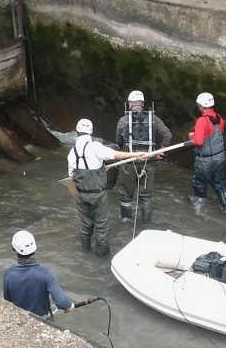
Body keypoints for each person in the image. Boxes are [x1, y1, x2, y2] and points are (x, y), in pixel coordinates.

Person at [68, 118, 145, 256]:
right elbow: (114, 154)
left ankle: (85, 252)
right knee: (102, 227)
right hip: (98, 195)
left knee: (85, 225)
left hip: (81, 195)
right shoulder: (95, 146)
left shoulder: (71, 153)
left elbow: (72, 176)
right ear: (91, 132)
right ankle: (101, 259)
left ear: (77, 131)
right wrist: (135, 155)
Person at [115, 90, 172, 226]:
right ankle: (146, 226)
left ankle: (126, 222)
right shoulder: (154, 119)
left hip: (129, 162)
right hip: (148, 162)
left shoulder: (123, 120)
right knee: (145, 197)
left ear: (130, 104)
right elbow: (167, 135)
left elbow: (118, 142)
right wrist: (161, 151)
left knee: (126, 196)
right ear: (143, 104)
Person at [3, 230, 73, 317]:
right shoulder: (46, 273)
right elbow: (62, 302)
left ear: (15, 250)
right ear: (34, 249)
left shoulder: (8, 274)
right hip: (42, 319)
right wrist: (69, 306)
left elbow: (7, 302)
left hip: (19, 318)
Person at [190, 92, 226, 214]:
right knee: (219, 181)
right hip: (219, 157)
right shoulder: (219, 118)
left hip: (205, 159)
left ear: (201, 106)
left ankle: (199, 203)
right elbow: (217, 133)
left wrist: (191, 135)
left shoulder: (201, 121)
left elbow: (198, 141)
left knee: (199, 181)